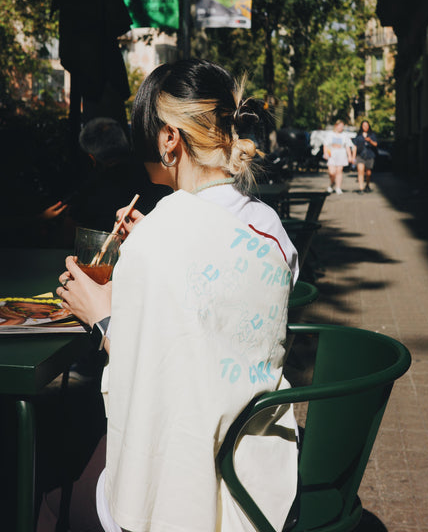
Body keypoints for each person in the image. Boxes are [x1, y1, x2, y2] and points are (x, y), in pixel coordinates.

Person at [37, 59, 299, 532]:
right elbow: (217, 323)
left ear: (168, 139)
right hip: (258, 463)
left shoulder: (159, 238)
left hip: (188, 472)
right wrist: (147, 254)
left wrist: (101, 317)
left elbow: (154, 378)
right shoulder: (271, 226)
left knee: (51, 502)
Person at [323, 120, 354, 194]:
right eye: (340, 126)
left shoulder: (344, 135)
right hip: (332, 155)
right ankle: (332, 183)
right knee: (332, 172)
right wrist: (325, 153)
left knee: (339, 172)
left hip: (341, 155)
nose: (341, 128)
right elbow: (325, 145)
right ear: (336, 126)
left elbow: (347, 146)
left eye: (342, 126)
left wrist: (350, 156)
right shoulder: (330, 134)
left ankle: (338, 187)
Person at [352, 120, 378, 193]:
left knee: (368, 172)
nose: (365, 127)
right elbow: (355, 146)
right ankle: (361, 188)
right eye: (364, 126)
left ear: (369, 126)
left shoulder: (372, 135)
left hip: (370, 155)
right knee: (360, 171)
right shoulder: (358, 136)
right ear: (361, 126)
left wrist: (370, 141)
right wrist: (353, 157)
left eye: (366, 126)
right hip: (360, 156)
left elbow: (376, 144)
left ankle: (367, 185)